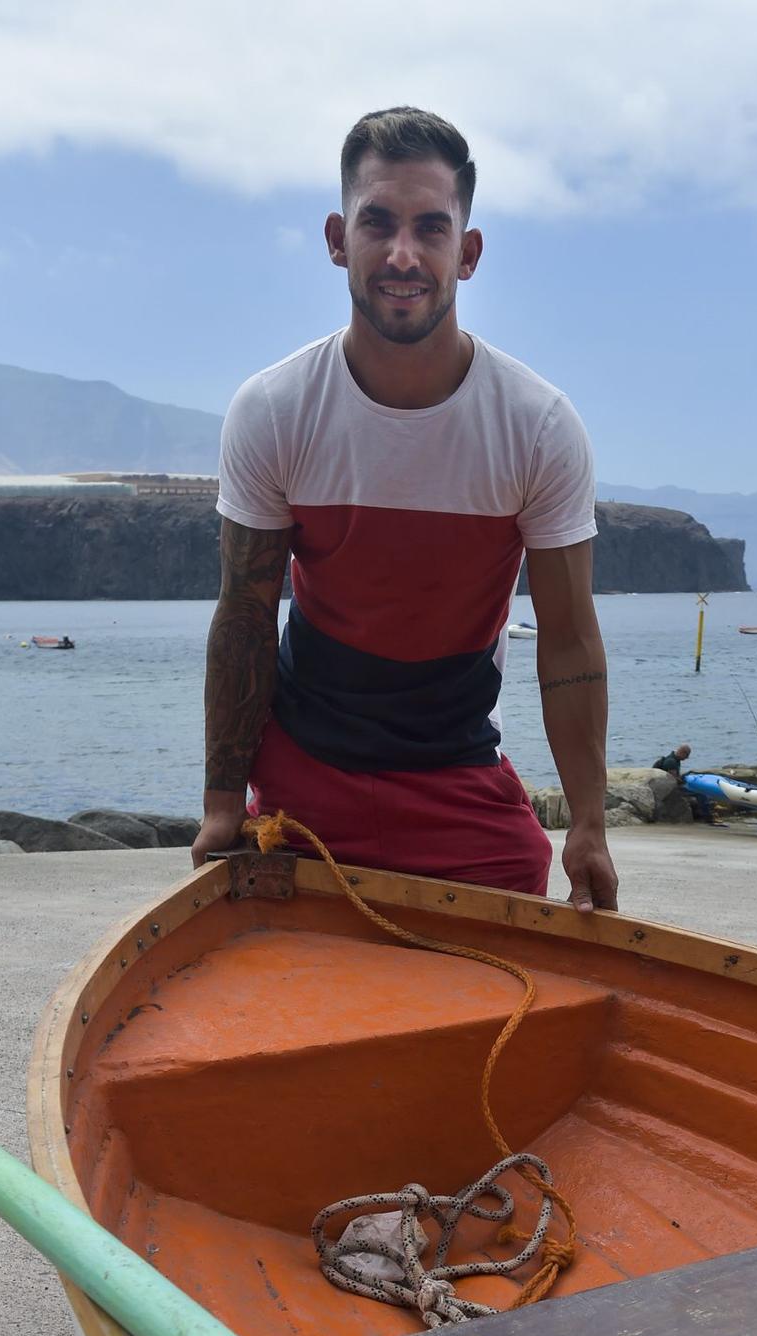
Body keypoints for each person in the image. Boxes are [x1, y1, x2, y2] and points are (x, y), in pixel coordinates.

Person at [193, 106, 618, 914]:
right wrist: (222, 806)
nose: (402, 254)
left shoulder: (537, 425)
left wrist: (588, 826)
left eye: (431, 228)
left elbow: (566, 638)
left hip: (456, 773)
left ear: (468, 253)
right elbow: (245, 613)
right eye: (376, 222)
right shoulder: (275, 409)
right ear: (334, 238)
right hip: (301, 778)